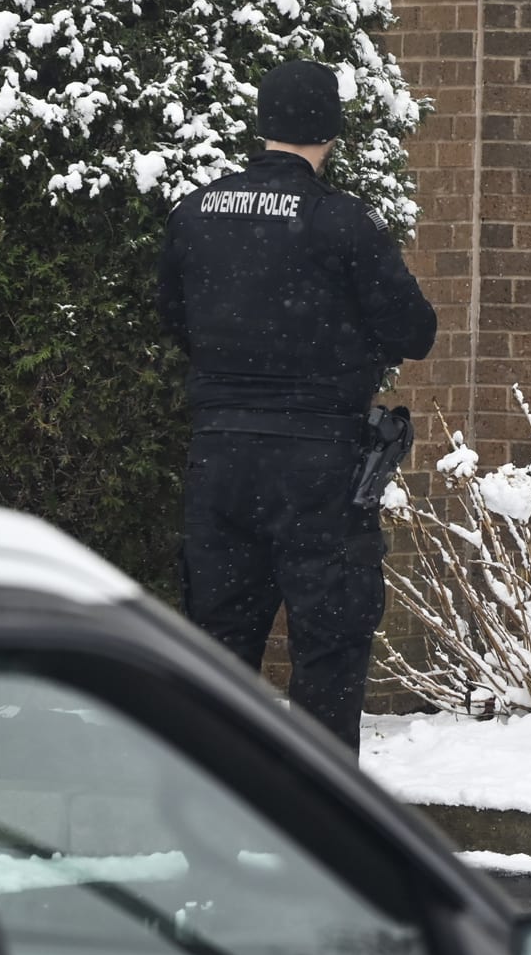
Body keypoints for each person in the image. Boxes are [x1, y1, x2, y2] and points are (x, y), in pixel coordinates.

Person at [157, 58, 437, 754]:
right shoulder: (339, 223)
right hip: (318, 464)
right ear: (331, 135)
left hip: (219, 455)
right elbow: (415, 331)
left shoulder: (195, 213)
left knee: (216, 655)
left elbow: (175, 318)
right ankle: (317, 830)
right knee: (328, 655)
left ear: (263, 125)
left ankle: (209, 824)